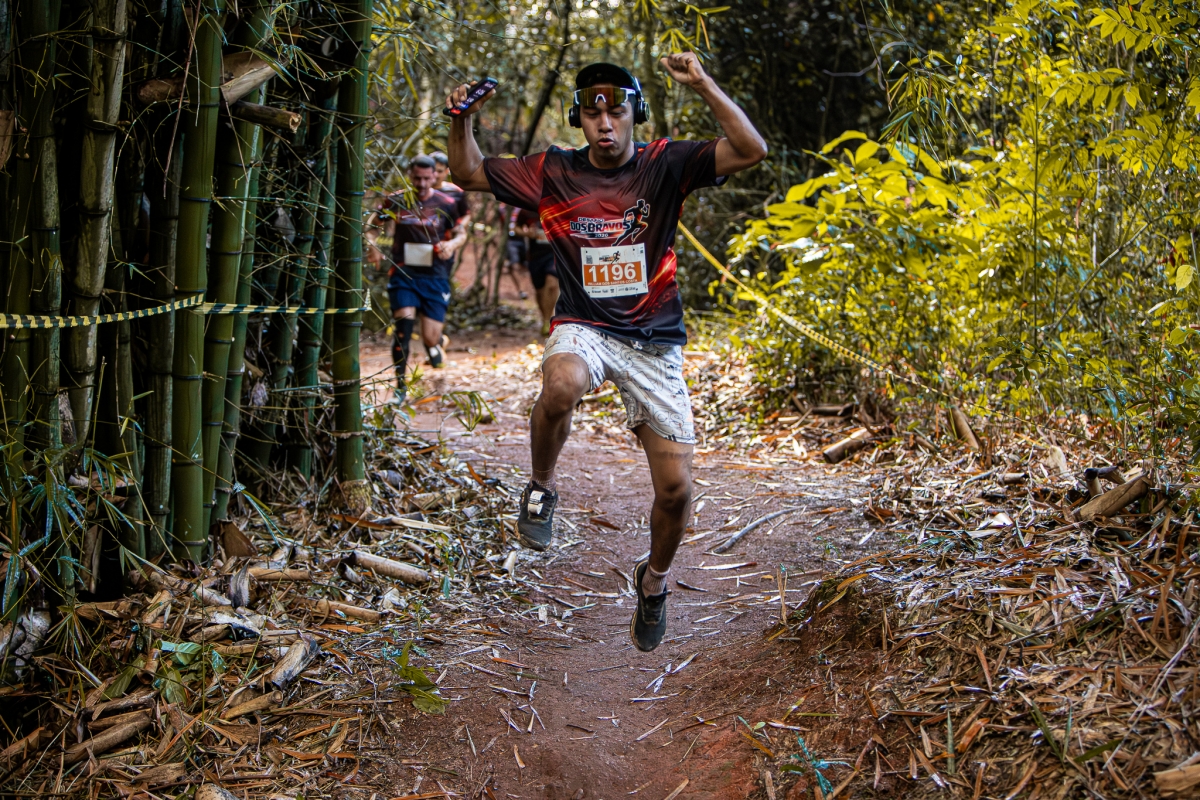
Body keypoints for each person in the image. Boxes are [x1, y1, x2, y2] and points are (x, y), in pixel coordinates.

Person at [446, 54, 767, 651]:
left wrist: (702, 83)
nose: (605, 124)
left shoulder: (665, 163)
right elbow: (467, 173)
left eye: (617, 112)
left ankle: (654, 581)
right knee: (561, 384)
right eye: (593, 115)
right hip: (584, 325)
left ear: (633, 115)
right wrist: (461, 118)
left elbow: (751, 150)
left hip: (654, 342)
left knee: (676, 490)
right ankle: (541, 487)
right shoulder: (553, 171)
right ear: (579, 120)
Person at [367, 155, 468, 403]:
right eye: (417, 178)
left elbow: (461, 233)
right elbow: (372, 225)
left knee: (430, 338)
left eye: (426, 178)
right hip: (404, 273)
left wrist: (451, 245)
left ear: (435, 176)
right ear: (410, 176)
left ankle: (437, 342)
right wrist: (372, 245)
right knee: (403, 327)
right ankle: (400, 387)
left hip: (435, 275)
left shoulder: (446, 202)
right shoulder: (397, 200)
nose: (421, 184)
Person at [514, 206, 558, 335]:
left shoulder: (557, 206)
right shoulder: (526, 209)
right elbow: (516, 228)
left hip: (554, 254)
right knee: (540, 290)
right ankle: (544, 319)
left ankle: (548, 320)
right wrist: (527, 233)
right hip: (535, 256)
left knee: (552, 284)